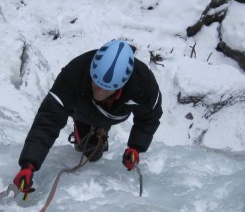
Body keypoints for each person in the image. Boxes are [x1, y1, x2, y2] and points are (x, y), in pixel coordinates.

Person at [13, 40, 163, 199]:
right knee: (92, 154)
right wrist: (29, 164)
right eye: (95, 83)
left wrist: (136, 147)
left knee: (95, 152)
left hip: (112, 114)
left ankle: (102, 130)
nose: (98, 91)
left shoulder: (143, 84)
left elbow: (149, 118)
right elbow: (49, 119)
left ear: (121, 86)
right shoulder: (74, 74)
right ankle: (83, 130)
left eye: (105, 89)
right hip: (83, 112)